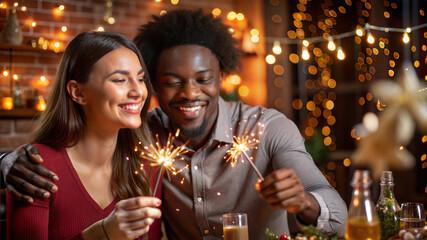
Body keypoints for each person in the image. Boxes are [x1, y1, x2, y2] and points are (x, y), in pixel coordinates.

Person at [1, 9, 347, 239]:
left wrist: (305, 202)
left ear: (222, 77)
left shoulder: (266, 129)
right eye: (171, 81)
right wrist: (8, 162)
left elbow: (338, 215)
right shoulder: (145, 139)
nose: (190, 93)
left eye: (203, 79)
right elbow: (66, 149)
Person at [4, 31, 162, 240]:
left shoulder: (146, 166)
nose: (139, 92)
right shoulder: (34, 168)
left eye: (140, 79)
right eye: (120, 80)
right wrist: (102, 234)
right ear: (78, 92)